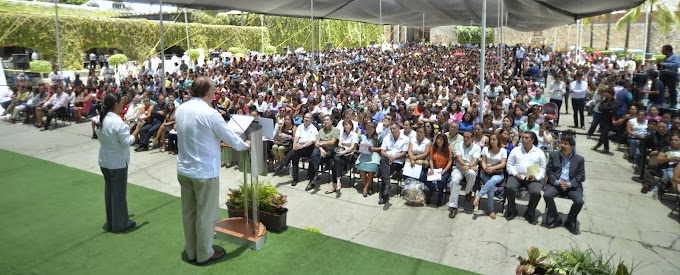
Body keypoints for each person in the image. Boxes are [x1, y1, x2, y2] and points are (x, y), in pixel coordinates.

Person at [175, 77, 250, 265]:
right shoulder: (211, 114)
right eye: (214, 90)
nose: (215, 93)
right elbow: (231, 138)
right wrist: (245, 145)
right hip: (204, 172)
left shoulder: (181, 109)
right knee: (206, 215)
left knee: (189, 213)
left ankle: (191, 250)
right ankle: (204, 253)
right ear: (208, 93)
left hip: (184, 169)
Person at [95, 93, 142, 233]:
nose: (123, 104)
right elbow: (126, 142)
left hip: (105, 160)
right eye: (121, 102)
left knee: (110, 192)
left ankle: (111, 221)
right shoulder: (117, 122)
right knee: (119, 194)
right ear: (115, 105)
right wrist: (137, 129)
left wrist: (126, 128)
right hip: (117, 162)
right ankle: (120, 223)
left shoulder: (101, 119)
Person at [544, 137, 585, 235]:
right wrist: (558, 182)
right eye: (561, 143)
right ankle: (556, 218)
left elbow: (581, 176)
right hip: (556, 184)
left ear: (572, 146)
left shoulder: (579, 159)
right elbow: (549, 171)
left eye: (566, 144)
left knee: (579, 201)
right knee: (547, 195)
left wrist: (569, 184)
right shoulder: (554, 155)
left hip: (571, 186)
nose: (562, 145)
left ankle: (569, 221)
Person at [504, 131, 546, 225]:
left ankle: (529, 212)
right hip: (517, 176)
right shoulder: (515, 150)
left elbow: (543, 169)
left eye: (526, 138)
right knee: (509, 188)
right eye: (522, 137)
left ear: (533, 140)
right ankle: (512, 209)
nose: (524, 139)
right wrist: (515, 174)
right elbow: (509, 165)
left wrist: (537, 178)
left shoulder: (539, 152)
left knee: (536, 192)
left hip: (532, 177)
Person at [275, 113, 318, 186]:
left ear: (311, 119)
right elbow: (296, 137)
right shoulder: (300, 127)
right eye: (305, 117)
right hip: (299, 147)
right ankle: (295, 178)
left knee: (294, 152)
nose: (306, 119)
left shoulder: (313, 129)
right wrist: (295, 145)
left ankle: (283, 164)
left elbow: (312, 141)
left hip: (308, 148)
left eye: (308, 118)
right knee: (294, 155)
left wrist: (303, 146)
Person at [448, 131, 481, 219]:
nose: (465, 139)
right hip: (459, 167)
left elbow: (475, 159)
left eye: (468, 137)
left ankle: (468, 192)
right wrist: (465, 165)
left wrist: (469, 166)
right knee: (454, 181)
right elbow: (458, 158)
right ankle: (453, 206)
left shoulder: (476, 147)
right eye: (464, 137)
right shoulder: (458, 145)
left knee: (472, 174)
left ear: (472, 138)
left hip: (470, 168)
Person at [475, 134, 507, 219]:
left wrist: (493, 168)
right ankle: (491, 210)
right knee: (491, 186)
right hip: (485, 173)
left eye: (494, 139)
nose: (492, 141)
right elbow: (483, 161)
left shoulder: (503, 151)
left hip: (498, 173)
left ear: (498, 141)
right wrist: (486, 168)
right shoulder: (485, 149)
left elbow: (503, 164)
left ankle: (479, 196)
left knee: (493, 181)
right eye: (491, 139)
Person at [378, 123, 409, 205]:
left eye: (394, 129)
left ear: (399, 129)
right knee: (384, 161)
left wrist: (394, 158)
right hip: (387, 159)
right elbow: (382, 151)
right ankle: (387, 189)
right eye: (391, 129)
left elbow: (403, 153)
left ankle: (385, 193)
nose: (392, 130)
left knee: (384, 171)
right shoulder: (387, 138)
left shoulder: (405, 139)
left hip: (398, 161)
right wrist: (389, 156)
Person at [307, 115, 339, 191]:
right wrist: (321, 149)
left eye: (327, 120)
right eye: (324, 120)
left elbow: (332, 143)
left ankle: (313, 179)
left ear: (331, 121)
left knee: (313, 159)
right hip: (321, 150)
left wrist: (321, 144)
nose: (326, 121)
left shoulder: (336, 130)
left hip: (330, 151)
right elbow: (316, 143)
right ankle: (315, 176)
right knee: (314, 153)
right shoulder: (321, 130)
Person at [329, 119, 358, 194]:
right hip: (341, 154)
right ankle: (338, 182)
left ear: (351, 126)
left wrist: (344, 151)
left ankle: (335, 184)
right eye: (344, 125)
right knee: (334, 162)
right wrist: (344, 148)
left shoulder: (354, 135)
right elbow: (339, 144)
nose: (345, 126)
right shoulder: (343, 134)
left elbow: (352, 148)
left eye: (347, 124)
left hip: (349, 156)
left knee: (333, 164)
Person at [425, 133, 453, 207]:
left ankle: (439, 198)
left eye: (441, 140)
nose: (439, 141)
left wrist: (445, 170)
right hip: (435, 167)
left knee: (440, 181)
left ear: (444, 141)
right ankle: (428, 196)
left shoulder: (449, 149)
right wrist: (431, 168)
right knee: (428, 179)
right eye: (438, 139)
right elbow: (430, 159)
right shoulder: (432, 148)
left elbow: (450, 161)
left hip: (445, 169)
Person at [356, 122, 382, 197]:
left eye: (371, 128)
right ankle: (368, 186)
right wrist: (360, 146)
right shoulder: (362, 136)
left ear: (374, 129)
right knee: (361, 169)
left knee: (372, 169)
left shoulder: (379, 137)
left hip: (374, 155)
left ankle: (365, 188)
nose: (369, 130)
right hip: (364, 154)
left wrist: (373, 149)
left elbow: (382, 148)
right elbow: (357, 145)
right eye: (367, 128)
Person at [591, 88, 619, 154]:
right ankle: (601, 146)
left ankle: (603, 147)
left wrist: (606, 108)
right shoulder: (604, 101)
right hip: (603, 120)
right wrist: (607, 109)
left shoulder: (615, 102)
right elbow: (600, 108)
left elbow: (613, 109)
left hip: (610, 121)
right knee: (603, 134)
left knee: (605, 134)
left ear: (611, 94)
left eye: (607, 93)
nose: (605, 94)